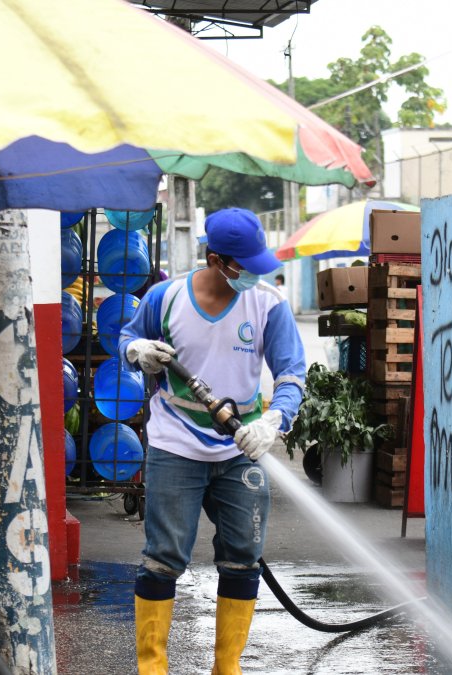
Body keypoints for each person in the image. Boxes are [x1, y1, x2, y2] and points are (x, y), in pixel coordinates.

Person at [119, 207, 306, 675]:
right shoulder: (165, 298)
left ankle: (227, 667)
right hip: (175, 444)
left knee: (243, 558)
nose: (251, 273)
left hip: (239, 447)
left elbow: (291, 373)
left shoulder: (267, 304)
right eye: (241, 264)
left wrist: (274, 420)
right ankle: (152, 668)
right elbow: (127, 337)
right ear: (215, 258)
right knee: (164, 558)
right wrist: (135, 351)